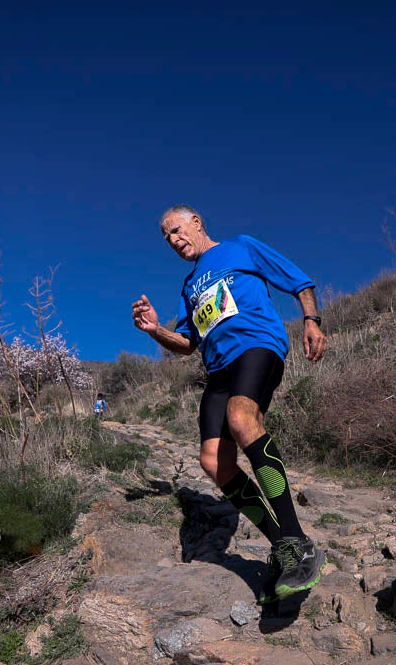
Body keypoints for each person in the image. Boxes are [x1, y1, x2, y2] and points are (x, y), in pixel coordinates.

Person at [132, 205, 328, 603]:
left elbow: (298, 280)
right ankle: (284, 545)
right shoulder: (189, 286)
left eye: (176, 230)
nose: (173, 240)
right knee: (213, 462)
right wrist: (155, 330)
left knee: (242, 418)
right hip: (219, 370)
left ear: (197, 222)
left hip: (258, 346)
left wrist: (311, 320)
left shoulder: (241, 247)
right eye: (166, 237)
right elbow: (187, 344)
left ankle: (297, 543)